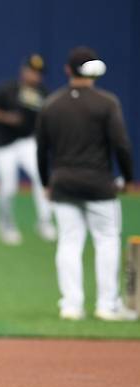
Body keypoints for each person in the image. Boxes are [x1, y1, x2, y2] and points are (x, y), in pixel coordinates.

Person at [36, 46, 136, 321]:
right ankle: (107, 305)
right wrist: (128, 178)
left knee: (69, 242)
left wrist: (46, 182)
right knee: (106, 240)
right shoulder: (106, 103)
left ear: (68, 70)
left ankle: (71, 305)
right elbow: (121, 145)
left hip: (63, 183)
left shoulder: (52, 103)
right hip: (99, 184)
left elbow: (41, 148)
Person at [0, 54, 56, 245]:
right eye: (32, 71)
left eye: (38, 72)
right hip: (4, 144)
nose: (35, 75)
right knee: (8, 187)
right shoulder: (8, 89)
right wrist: (8, 118)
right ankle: (5, 223)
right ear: (23, 71)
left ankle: (44, 222)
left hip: (27, 142)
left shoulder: (43, 93)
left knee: (42, 177)